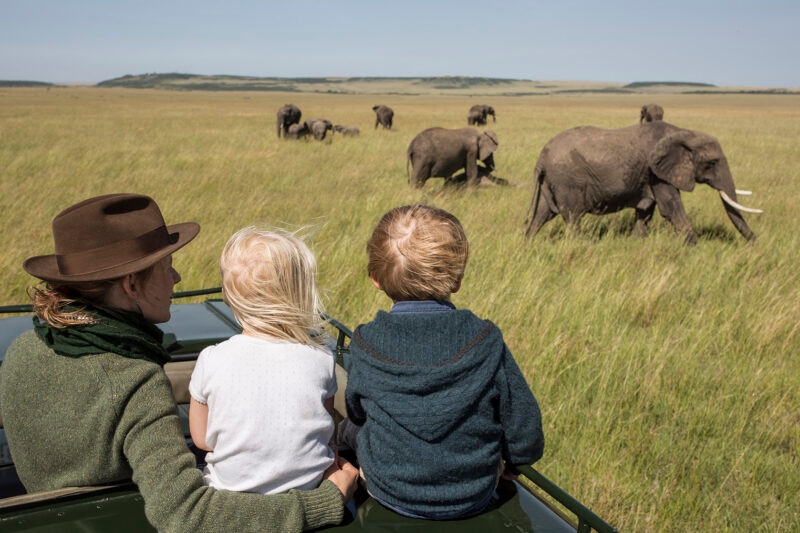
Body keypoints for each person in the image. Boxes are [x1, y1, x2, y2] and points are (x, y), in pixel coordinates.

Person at [0, 193, 358, 532]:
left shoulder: (23, 349)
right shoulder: (132, 380)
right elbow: (186, 515)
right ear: (131, 285)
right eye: (167, 267)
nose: (176, 279)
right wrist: (325, 502)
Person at [344, 204, 545, 520]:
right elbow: (525, 427)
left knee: (348, 427)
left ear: (375, 279)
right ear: (457, 280)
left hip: (387, 490)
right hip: (472, 495)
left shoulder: (366, 342)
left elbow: (356, 409)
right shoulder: (486, 339)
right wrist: (515, 462)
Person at [189, 226, 337, 495]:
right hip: (308, 490)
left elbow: (201, 439)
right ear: (300, 294)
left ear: (228, 296)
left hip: (229, 493)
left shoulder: (211, 359)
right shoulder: (322, 357)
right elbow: (325, 429)